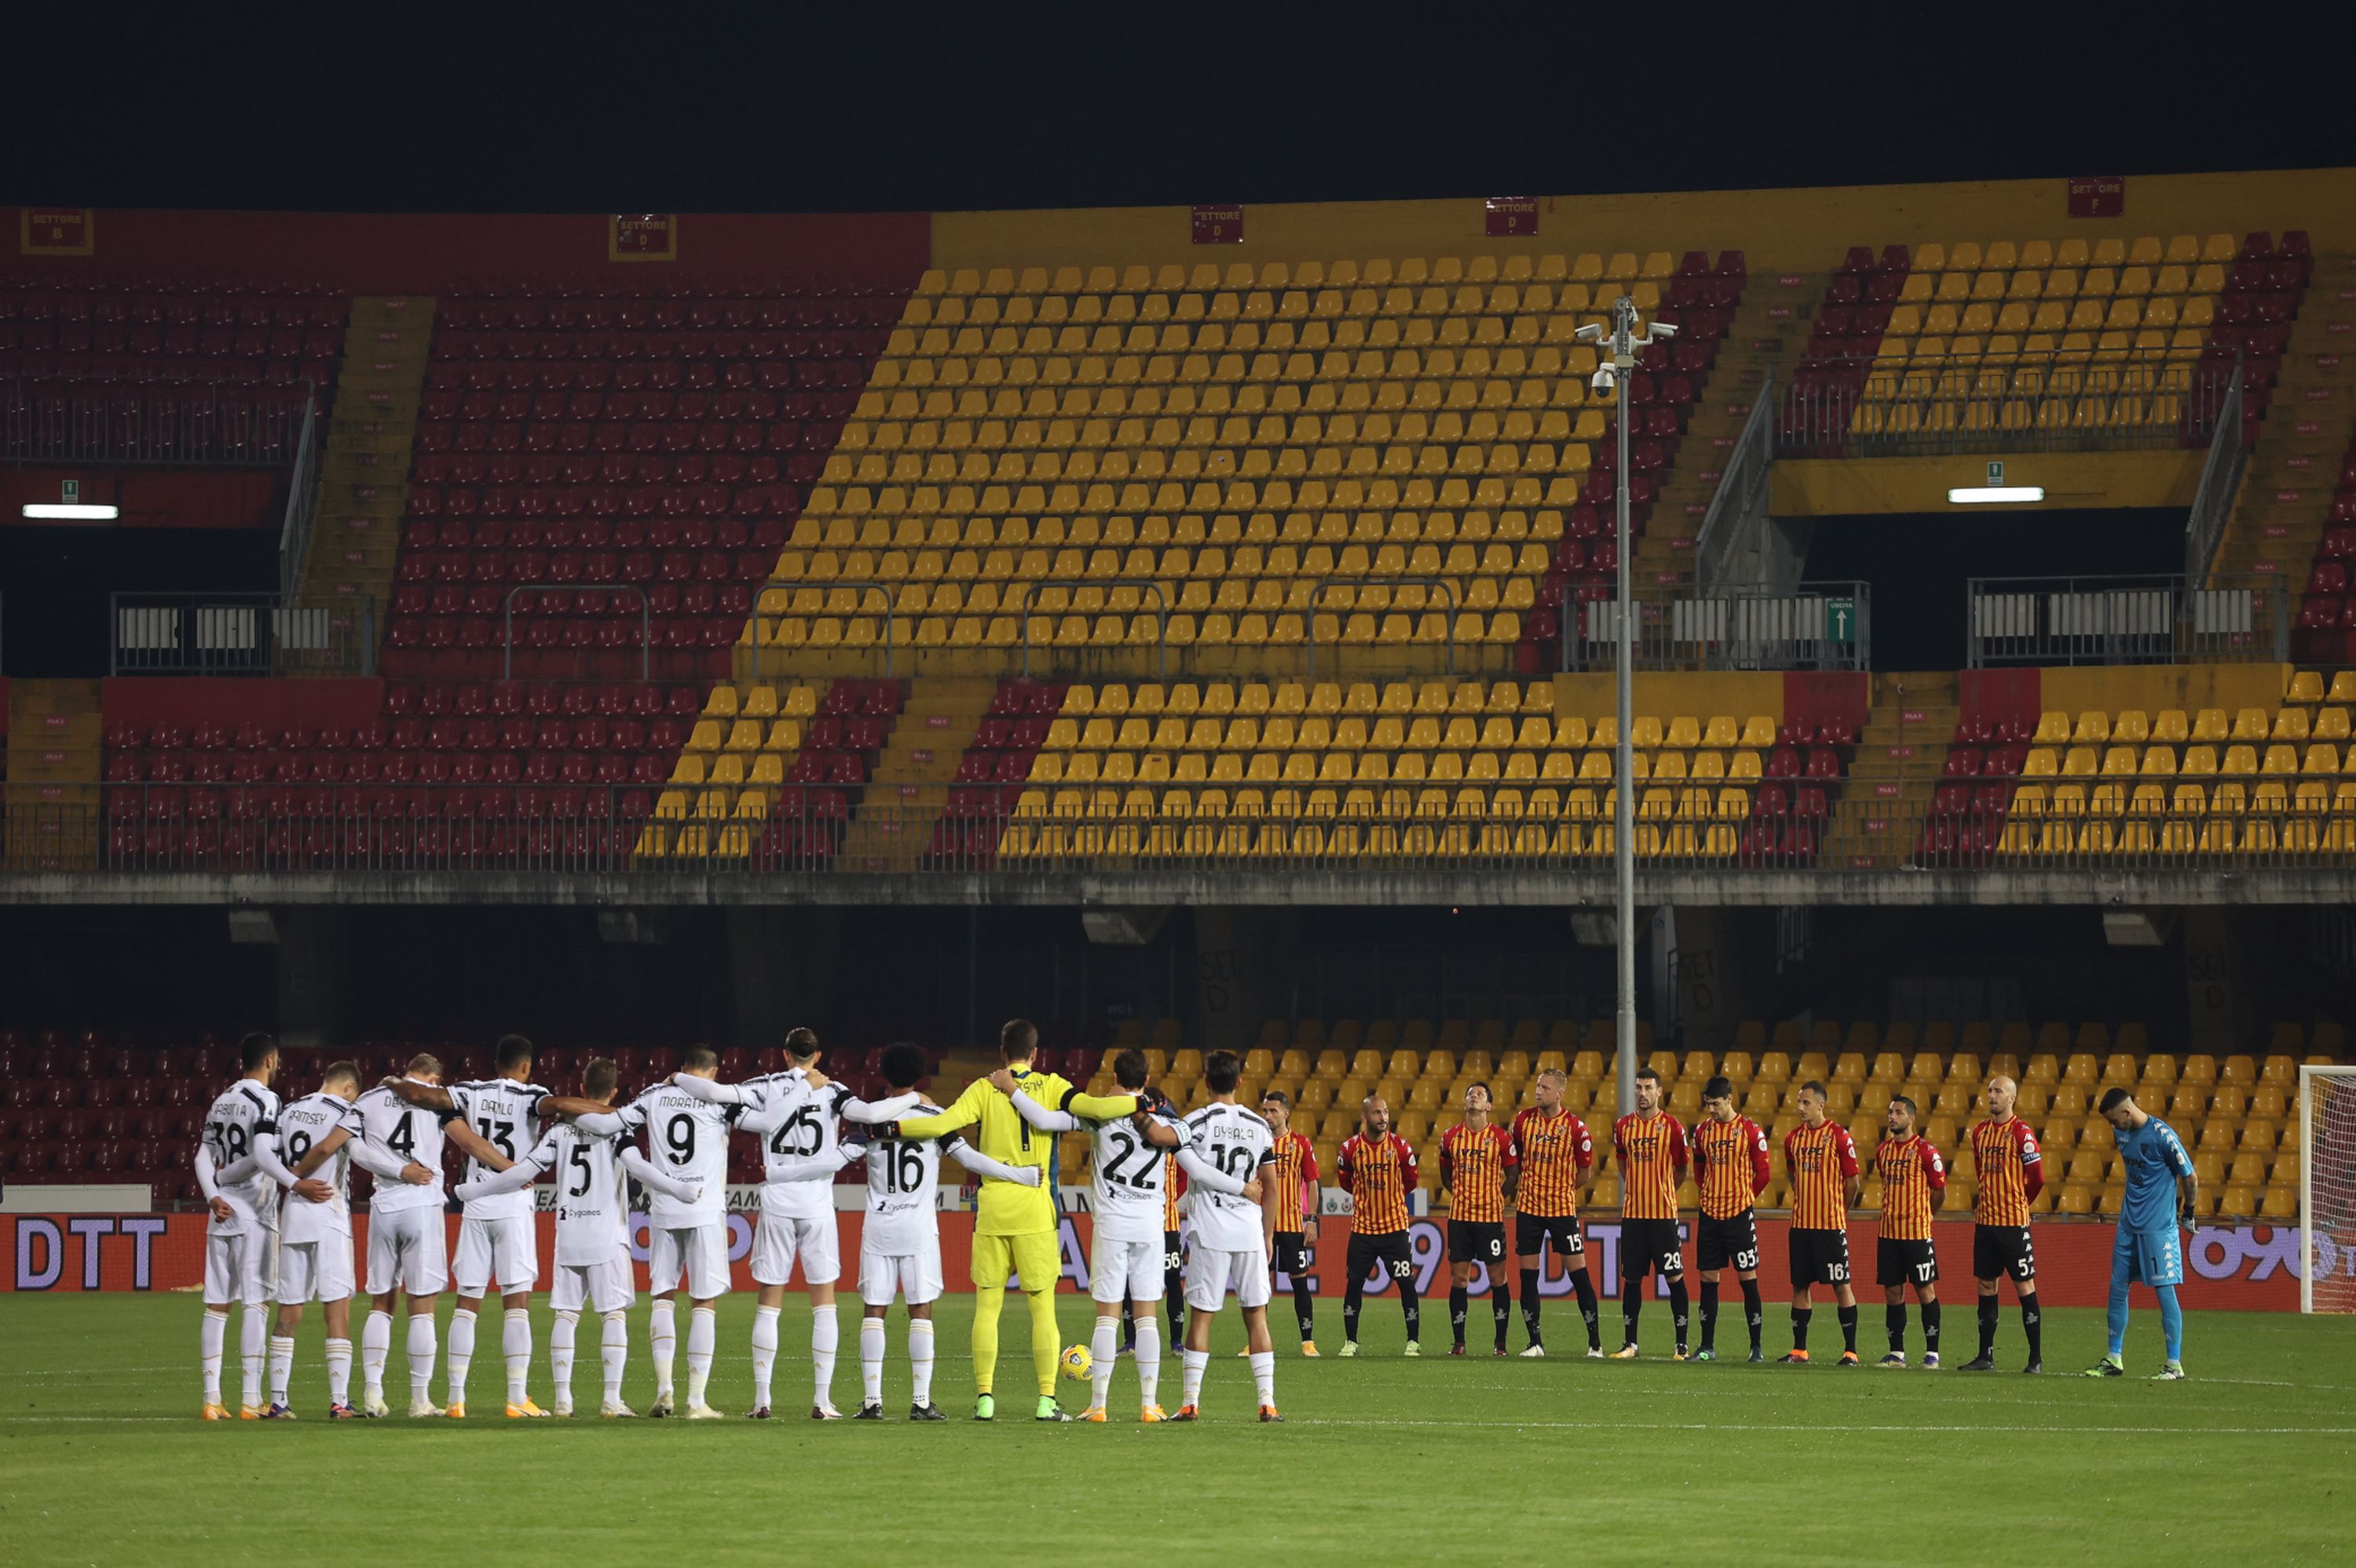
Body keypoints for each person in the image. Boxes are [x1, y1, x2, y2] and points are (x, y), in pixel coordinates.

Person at [892, 1018, 1146, 1421]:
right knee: (1043, 1309)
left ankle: (985, 1399)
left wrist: (896, 1127)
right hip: (1035, 1209)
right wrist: (1140, 1103)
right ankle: (1046, 1400)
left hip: (993, 1208)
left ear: (1001, 1051)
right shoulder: (1051, 1085)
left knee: (987, 1308)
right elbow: (1098, 1109)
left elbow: (940, 1125)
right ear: (1036, 1052)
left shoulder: (984, 1087)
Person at [664, 1028, 920, 1419]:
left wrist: (678, 1077)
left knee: (769, 1302)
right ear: (818, 1056)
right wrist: (915, 1098)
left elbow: (715, 1093)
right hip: (816, 1204)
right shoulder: (832, 1090)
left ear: (785, 1056)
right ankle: (822, 1401)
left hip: (777, 1203)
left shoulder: (766, 1085)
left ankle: (762, 1401)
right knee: (824, 1302)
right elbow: (870, 1114)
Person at [379, 1035, 600, 1416]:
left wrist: (395, 1082)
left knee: (467, 1304)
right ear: (527, 1066)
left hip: (477, 1204)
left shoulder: (469, 1091)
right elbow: (563, 1105)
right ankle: (517, 1397)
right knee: (516, 1303)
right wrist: (610, 1109)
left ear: (496, 1064)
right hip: (513, 1204)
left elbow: (422, 1097)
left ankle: (455, 1399)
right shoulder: (532, 1095)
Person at [1004, 1047, 1197, 1420]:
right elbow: (1182, 1146)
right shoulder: (1167, 1120)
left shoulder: (1098, 1115)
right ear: (1146, 1079)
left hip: (1111, 1223)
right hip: (1150, 1225)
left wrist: (1012, 1091)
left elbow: (1045, 1120)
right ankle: (1148, 1404)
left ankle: (1099, 1405)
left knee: (1107, 1317)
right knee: (1146, 1316)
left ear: (1114, 1078)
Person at [851, 1044, 1037, 1420]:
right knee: (921, 1310)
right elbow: (970, 1158)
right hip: (918, 1228)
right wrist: (1019, 1174)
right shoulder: (935, 1116)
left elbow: (843, 1155)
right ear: (920, 1074)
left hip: (879, 1224)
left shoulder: (870, 1120)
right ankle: (921, 1402)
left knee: (875, 1310)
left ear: (884, 1075)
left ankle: (873, 1402)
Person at [351, 1054, 506, 1418]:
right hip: (422, 1205)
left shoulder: (368, 1099)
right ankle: (419, 1400)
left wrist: (394, 1169)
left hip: (383, 1206)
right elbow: (469, 1144)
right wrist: (510, 1169)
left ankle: (373, 1394)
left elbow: (353, 1148)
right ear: (434, 1079)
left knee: (381, 1303)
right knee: (422, 1306)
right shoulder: (438, 1102)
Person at [269, 1061, 415, 1417]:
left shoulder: (290, 1110)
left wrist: (289, 1181)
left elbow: (269, 1156)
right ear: (350, 1088)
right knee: (338, 1310)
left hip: (293, 1216)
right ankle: (339, 1401)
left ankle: (278, 1401)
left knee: (289, 1309)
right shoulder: (347, 1111)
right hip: (328, 1216)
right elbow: (346, 1152)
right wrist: (399, 1169)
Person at [1171, 1051, 1281, 1422]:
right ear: (1238, 1081)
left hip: (1211, 1230)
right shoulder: (1259, 1125)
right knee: (1257, 1318)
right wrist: (1268, 1236)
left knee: (1201, 1318)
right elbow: (1271, 1186)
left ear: (1206, 1080)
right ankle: (1267, 1402)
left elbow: (1193, 1169)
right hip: (1249, 1231)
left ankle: (1190, 1402)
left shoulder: (1195, 1123)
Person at [192, 1033, 290, 1419]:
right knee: (256, 1303)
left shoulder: (221, 1099)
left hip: (220, 1213)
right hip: (254, 1214)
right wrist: (291, 1180)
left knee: (217, 1306)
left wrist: (212, 1195)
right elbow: (262, 1156)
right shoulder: (266, 1100)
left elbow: (201, 1156)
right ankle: (251, 1398)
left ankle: (212, 1399)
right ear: (270, 1060)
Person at [2086, 1087, 2197, 1381]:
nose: (2112, 1127)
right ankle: (2113, 1359)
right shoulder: (2121, 1134)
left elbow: (2190, 1176)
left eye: (2113, 1120)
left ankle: (2174, 1365)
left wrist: (2189, 1212)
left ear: (2126, 1111)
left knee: (2165, 1292)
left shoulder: (2162, 1136)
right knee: (2117, 1289)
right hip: (2128, 1225)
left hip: (2158, 1229)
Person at [1505, 1069, 1601, 1358]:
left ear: (1559, 1093)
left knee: (1579, 1275)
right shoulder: (1522, 1122)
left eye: (1545, 1088)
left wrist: (1561, 1190)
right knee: (1528, 1277)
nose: (1538, 1091)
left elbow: (1584, 1173)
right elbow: (1516, 1162)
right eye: (1537, 1086)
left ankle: (1595, 1344)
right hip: (1528, 1210)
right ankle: (1535, 1343)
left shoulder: (1575, 1128)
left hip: (1561, 1211)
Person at [1961, 1074, 2045, 1373]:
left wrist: (2021, 1203)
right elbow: (1980, 1172)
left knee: (2024, 1285)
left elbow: (2037, 1178)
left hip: (2013, 1223)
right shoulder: (1980, 1132)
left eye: (1998, 1091)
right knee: (1986, 1284)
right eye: (1989, 1091)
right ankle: (1985, 1356)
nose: (1992, 1096)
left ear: (2012, 1099)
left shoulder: (2022, 1133)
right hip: (1985, 1223)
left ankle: (2034, 1358)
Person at [1688, 1075, 1771, 1363]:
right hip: (1710, 1216)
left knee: (1748, 1279)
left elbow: (1764, 1174)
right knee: (1708, 1279)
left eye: (1715, 1104)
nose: (1711, 1109)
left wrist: (1744, 1199)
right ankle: (1707, 1346)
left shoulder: (1750, 1131)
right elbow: (1699, 1172)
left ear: (1729, 1100)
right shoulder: (1702, 1133)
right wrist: (1712, 1194)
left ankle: (1756, 1347)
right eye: (1708, 1104)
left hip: (1739, 1216)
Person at [1779, 1080, 1862, 1366]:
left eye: (1805, 1103)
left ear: (1820, 1105)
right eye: (1799, 1102)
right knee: (1800, 1286)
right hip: (1801, 1225)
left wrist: (1840, 1209)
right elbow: (1793, 1176)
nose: (1800, 1108)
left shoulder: (1839, 1136)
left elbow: (1853, 1181)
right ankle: (1799, 1350)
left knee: (1841, 1285)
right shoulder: (1792, 1139)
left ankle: (1850, 1351)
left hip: (1829, 1226)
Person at [1609, 1066, 1691, 1360]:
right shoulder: (1623, 1127)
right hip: (1633, 1217)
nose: (1642, 1094)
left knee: (1674, 1278)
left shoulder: (1672, 1127)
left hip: (1664, 1217)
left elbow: (1682, 1169)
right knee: (1631, 1280)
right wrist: (1636, 1187)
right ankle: (1630, 1343)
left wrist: (1664, 1189)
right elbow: (1622, 1163)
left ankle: (1681, 1345)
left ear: (1659, 1092)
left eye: (1648, 1088)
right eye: (1639, 1088)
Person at [1335, 1095, 1420, 1357]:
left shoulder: (1401, 1147)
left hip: (1395, 1229)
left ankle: (1413, 1341)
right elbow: (1346, 1182)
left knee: (1406, 1283)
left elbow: (1410, 1182)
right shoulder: (1349, 1149)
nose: (1383, 1118)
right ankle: (1351, 1341)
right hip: (1363, 1231)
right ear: (1364, 1117)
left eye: (1385, 1112)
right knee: (1354, 1284)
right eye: (1376, 1113)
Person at [1439, 1084, 1516, 1357]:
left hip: (1490, 1219)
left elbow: (1513, 1176)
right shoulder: (1450, 1137)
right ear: (1465, 1102)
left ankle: (1501, 1344)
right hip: (1460, 1218)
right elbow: (1445, 1174)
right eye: (1470, 1093)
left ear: (1488, 1106)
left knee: (1498, 1278)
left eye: (1480, 1094)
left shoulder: (1501, 1139)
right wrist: (1462, 1195)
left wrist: (1496, 1197)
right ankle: (1459, 1343)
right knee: (1459, 1280)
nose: (1474, 1096)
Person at [1873, 1095, 1947, 1369]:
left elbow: (1940, 1192)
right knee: (1893, 1292)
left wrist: (1926, 1216)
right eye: (1890, 1112)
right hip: (1888, 1233)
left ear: (1911, 1118)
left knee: (1925, 1290)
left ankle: (1932, 1353)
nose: (1892, 1117)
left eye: (1899, 1113)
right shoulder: (1883, 1151)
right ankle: (1897, 1353)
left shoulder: (1926, 1151)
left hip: (1916, 1234)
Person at [1260, 1090, 1321, 1355]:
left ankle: (1307, 1340)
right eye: (1265, 1111)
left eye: (1273, 1111)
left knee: (1299, 1281)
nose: (1268, 1116)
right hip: (1263, 1228)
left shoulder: (1301, 1144)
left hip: (1293, 1225)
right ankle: (1256, 1342)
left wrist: (1312, 1220)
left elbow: (1313, 1183)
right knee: (1259, 1285)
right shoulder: (1259, 1143)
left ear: (1286, 1113)